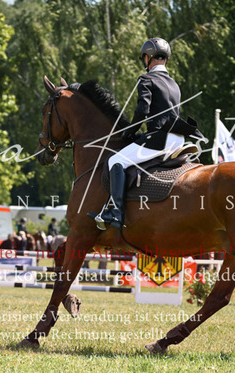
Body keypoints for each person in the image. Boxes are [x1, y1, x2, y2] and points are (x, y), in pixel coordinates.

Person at [88, 37, 203, 230]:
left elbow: (143, 111)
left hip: (160, 140)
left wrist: (128, 131)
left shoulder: (147, 79)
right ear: (166, 59)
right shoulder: (174, 84)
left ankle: (116, 211)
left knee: (115, 161)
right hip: (178, 139)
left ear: (148, 58)